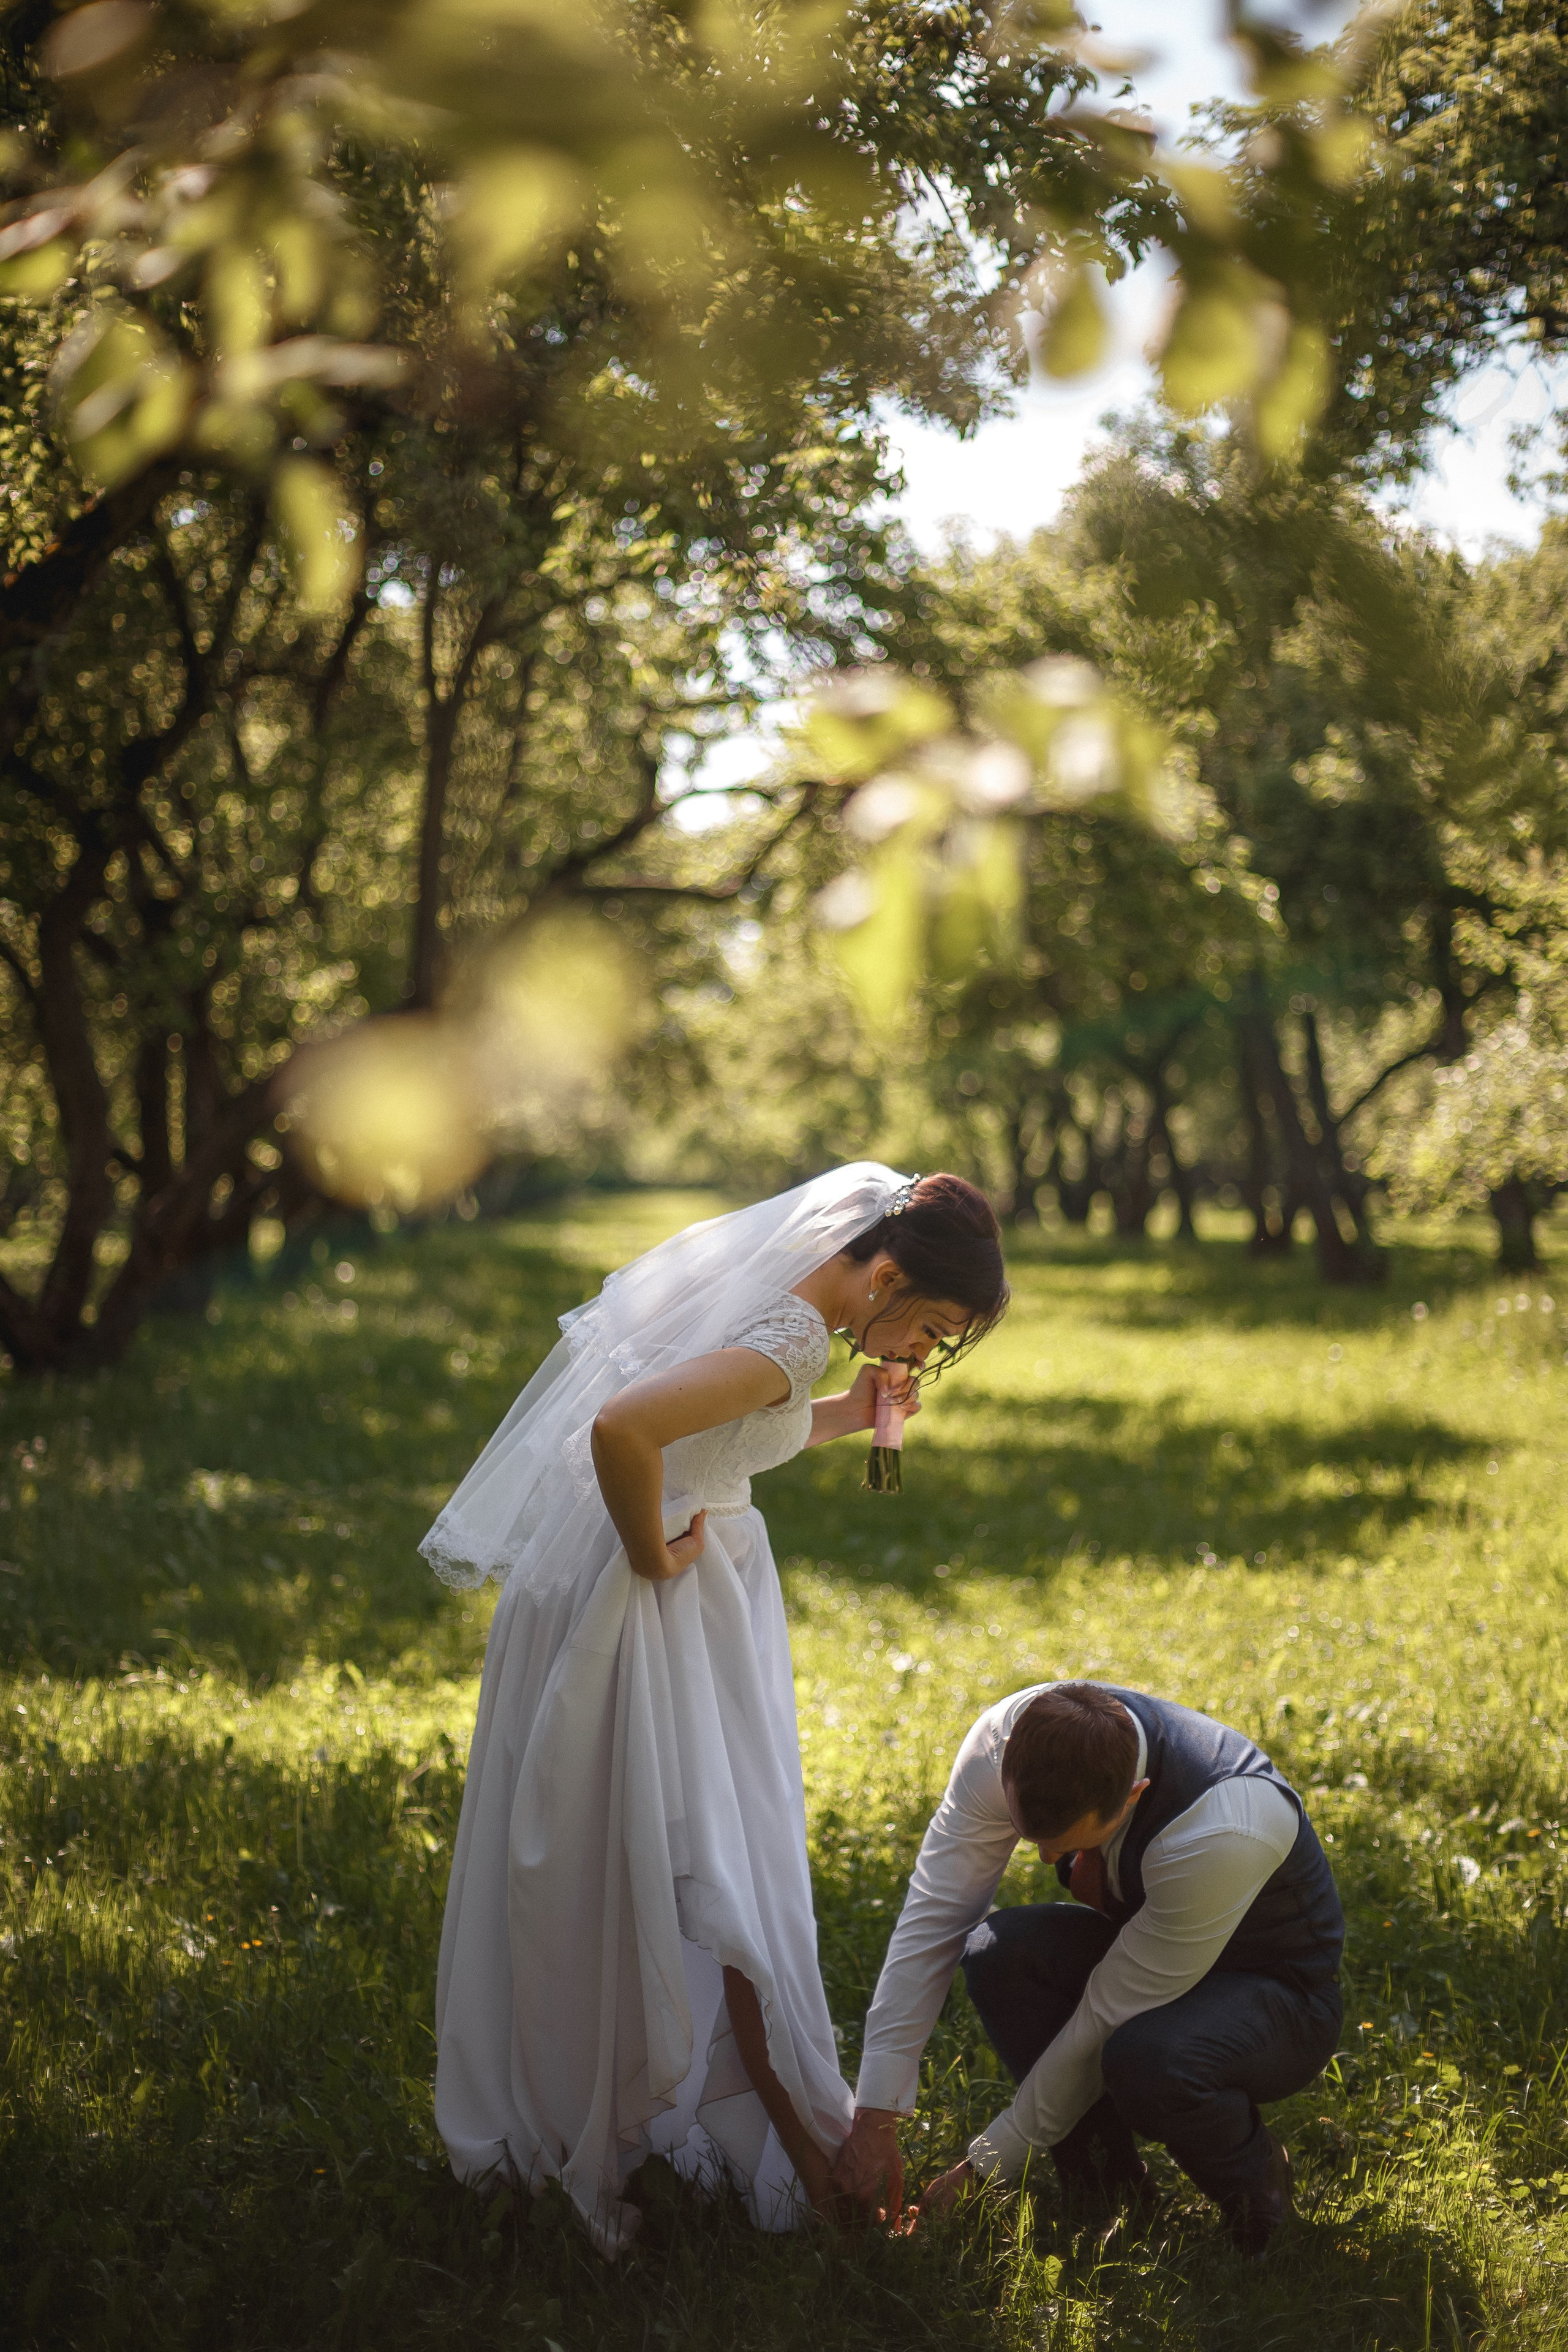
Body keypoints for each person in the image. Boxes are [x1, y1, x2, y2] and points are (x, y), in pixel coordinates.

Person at [421, 1165, 1008, 2255]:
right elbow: (626, 1431)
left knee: (650, 1836)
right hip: (647, 1590)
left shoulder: (799, 1312)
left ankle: (645, 2067)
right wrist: (654, 1555)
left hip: (651, 1574)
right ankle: (653, 2082)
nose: (923, 1353)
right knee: (673, 1843)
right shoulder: (794, 1331)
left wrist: (857, 1411)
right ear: (884, 1274)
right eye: (926, 1328)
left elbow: (728, 1432)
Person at [833, 1681, 1343, 2256]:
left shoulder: (1221, 1828)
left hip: (1276, 1995)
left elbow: (1104, 2015)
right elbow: (935, 1918)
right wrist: (875, 2117)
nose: (1050, 1858)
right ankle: (1108, 2190)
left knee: (1148, 2056)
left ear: (1133, 1795)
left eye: (1067, 1843)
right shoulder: (1003, 1740)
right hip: (1153, 1950)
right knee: (1002, 1952)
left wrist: (984, 2168)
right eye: (1035, 1838)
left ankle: (1259, 2200)